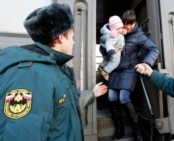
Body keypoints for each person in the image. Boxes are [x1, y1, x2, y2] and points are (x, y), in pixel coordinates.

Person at [0, 3, 107, 141]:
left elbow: (62, 108)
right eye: (72, 37)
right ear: (61, 37)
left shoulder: (53, 68)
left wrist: (91, 93)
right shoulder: (31, 75)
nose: (74, 43)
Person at [107, 10, 159, 141]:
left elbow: (154, 49)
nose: (128, 27)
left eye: (131, 24)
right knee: (111, 97)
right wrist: (109, 50)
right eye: (125, 24)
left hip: (129, 70)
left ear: (135, 22)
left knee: (124, 98)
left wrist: (146, 63)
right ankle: (120, 129)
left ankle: (138, 132)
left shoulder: (139, 35)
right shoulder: (115, 32)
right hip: (115, 70)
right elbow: (104, 47)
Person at [98, 15, 126, 80]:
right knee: (115, 62)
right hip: (110, 49)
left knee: (107, 60)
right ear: (113, 29)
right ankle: (105, 71)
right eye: (117, 29)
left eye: (121, 28)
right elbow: (109, 44)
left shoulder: (110, 33)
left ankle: (101, 66)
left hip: (104, 48)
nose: (120, 30)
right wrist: (111, 51)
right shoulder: (112, 36)